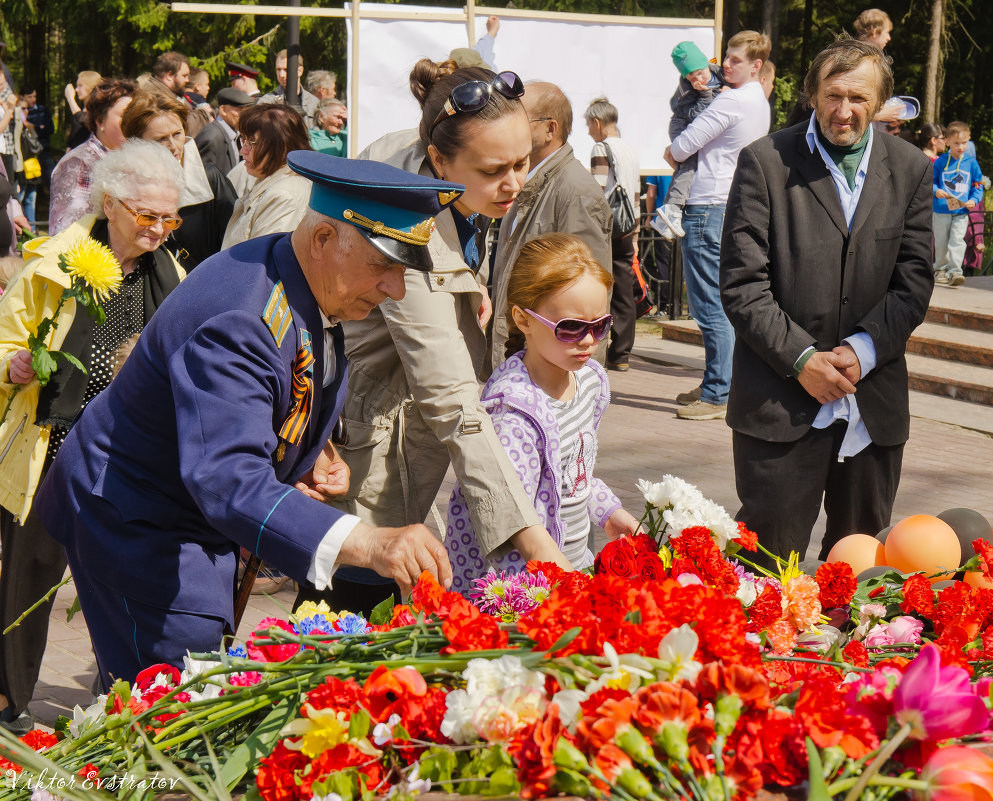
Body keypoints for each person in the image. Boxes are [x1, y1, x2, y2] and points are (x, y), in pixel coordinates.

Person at [35, 152, 461, 687]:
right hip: (136, 520)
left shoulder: (298, 274)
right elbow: (225, 477)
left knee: (163, 686)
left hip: (173, 505)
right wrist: (371, 543)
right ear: (324, 239)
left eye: (403, 269)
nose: (396, 288)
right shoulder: (241, 317)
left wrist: (306, 452)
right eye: (384, 265)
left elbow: (281, 383)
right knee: (173, 701)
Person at [308, 60, 567, 614]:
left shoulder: (446, 168)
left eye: (524, 162)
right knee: (347, 624)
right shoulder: (409, 233)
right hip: (372, 459)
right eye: (496, 169)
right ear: (439, 161)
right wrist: (534, 541)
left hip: (393, 432)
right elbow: (449, 398)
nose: (515, 184)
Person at [720, 37, 933, 564]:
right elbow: (743, 284)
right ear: (812, 94)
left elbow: (914, 281)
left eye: (859, 98)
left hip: (871, 405)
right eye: (832, 95)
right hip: (780, 406)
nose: (844, 111)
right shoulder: (765, 162)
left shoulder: (910, 169)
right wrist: (802, 360)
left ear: (881, 100)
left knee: (860, 584)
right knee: (765, 574)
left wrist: (862, 349)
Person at [0, 139, 186, 731]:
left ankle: (126, 699)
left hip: (130, 454)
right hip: (52, 445)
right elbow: (6, 339)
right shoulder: (54, 264)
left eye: (170, 217)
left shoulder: (169, 273)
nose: (160, 230)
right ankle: (8, 698)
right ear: (110, 204)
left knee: (123, 579)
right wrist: (13, 367)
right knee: (28, 575)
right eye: (148, 216)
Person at [446, 234, 639, 591]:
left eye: (600, 325)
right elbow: (514, 522)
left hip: (572, 565)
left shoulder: (589, 384)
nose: (588, 340)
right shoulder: (514, 415)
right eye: (570, 327)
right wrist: (554, 583)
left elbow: (572, 477)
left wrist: (610, 512)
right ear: (524, 320)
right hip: (521, 586)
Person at [663, 30, 771, 421]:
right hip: (727, 204)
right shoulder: (755, 98)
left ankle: (717, 392)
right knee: (721, 300)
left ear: (756, 65)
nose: (725, 65)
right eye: (726, 57)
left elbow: (680, 147)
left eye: (735, 60)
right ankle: (720, 379)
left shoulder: (733, 102)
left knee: (709, 303)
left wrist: (673, 150)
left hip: (707, 205)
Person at [490, 81, 612, 372]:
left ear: (550, 129)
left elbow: (590, 296)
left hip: (552, 370)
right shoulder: (527, 181)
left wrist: (581, 380)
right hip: (526, 359)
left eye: (519, 119)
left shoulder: (575, 191)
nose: (508, 127)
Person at [122, 90, 237, 271]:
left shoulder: (210, 179)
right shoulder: (121, 185)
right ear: (137, 143)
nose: (174, 147)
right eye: (161, 139)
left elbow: (235, 244)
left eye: (177, 134)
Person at [586, 98, 640, 372]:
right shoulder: (630, 150)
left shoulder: (601, 147)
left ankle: (600, 349)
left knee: (601, 288)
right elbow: (636, 194)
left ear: (597, 123)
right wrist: (636, 233)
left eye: (588, 125)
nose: (588, 131)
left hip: (607, 227)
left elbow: (597, 189)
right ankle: (622, 353)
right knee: (624, 292)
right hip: (627, 227)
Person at [655, 41, 725, 240]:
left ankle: (666, 214)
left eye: (700, 72)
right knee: (688, 164)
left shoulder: (719, 73)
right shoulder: (687, 91)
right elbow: (695, 116)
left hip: (694, 125)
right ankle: (673, 209)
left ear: (705, 63)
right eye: (691, 76)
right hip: (682, 124)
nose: (698, 78)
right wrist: (703, 94)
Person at [49, 79, 135, 234]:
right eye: (125, 116)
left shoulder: (131, 160)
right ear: (100, 120)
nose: (132, 122)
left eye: (135, 116)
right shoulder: (78, 163)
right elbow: (67, 234)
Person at [221, 103, 311, 249]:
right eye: (243, 139)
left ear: (281, 146)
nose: (243, 150)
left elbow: (261, 264)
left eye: (252, 143)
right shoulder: (273, 182)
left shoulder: (284, 195)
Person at [932, 120, 983, 288]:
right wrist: (936, 190)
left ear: (968, 140)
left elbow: (978, 185)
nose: (961, 147)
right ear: (947, 142)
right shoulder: (940, 162)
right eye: (956, 143)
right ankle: (939, 269)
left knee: (957, 240)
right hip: (940, 210)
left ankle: (955, 271)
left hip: (961, 211)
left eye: (964, 143)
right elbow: (929, 182)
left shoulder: (971, 163)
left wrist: (973, 200)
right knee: (940, 242)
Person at [149, 51, 210, 138]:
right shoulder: (156, 96)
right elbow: (182, 129)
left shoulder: (168, 92)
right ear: (169, 75)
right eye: (184, 75)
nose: (187, 80)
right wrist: (204, 114)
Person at [195, 87, 255, 175]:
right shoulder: (212, 136)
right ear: (223, 110)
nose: (245, 117)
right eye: (240, 111)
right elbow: (203, 177)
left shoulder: (233, 133)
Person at [259, 50, 319, 128]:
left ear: (300, 71)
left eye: (286, 70)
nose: (281, 75)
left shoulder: (314, 102)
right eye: (278, 69)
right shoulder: (266, 102)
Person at [64, 70, 102, 151]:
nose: (76, 90)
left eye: (80, 85)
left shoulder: (99, 109)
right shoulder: (83, 109)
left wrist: (70, 99)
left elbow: (83, 119)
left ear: (91, 87)